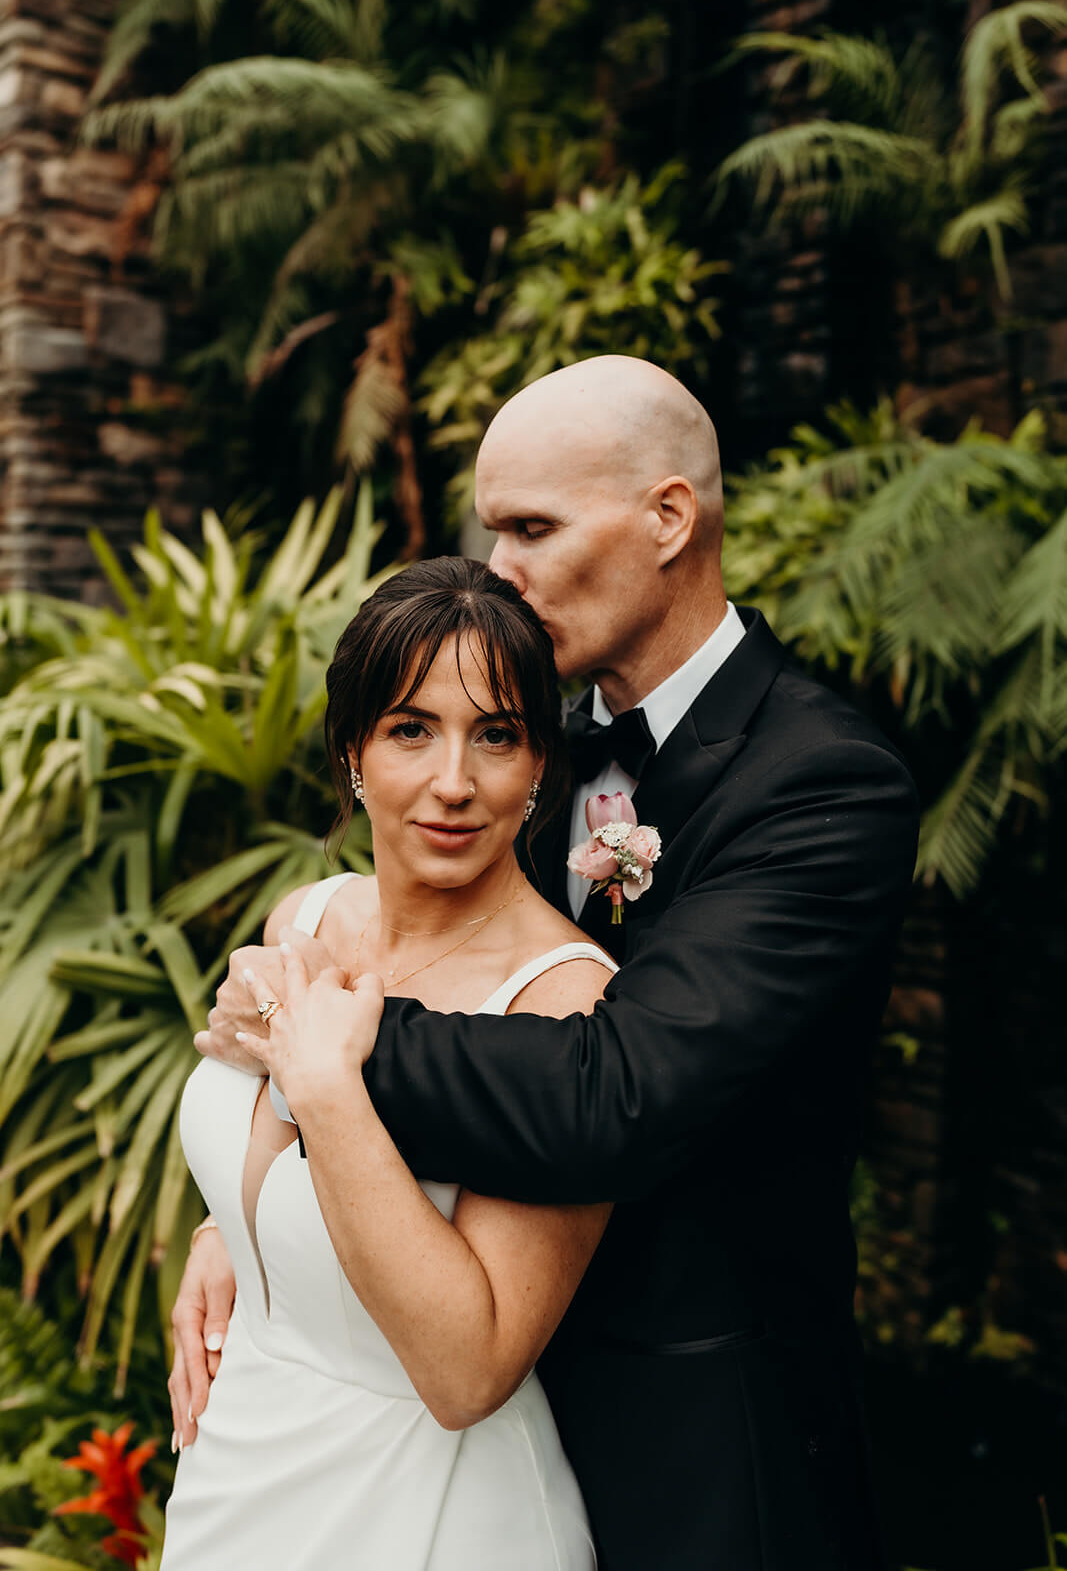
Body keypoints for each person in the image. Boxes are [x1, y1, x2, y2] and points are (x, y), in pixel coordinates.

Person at [180, 355, 920, 1571]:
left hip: (689, 1453)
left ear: (667, 518)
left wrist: (316, 1047)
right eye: (493, 531)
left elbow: (612, 1088)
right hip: (433, 1415)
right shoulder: (527, 750)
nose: (500, 570)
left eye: (530, 528)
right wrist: (259, 1231)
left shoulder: (819, 784)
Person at [160, 556, 619, 1570]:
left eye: (495, 735)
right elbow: (276, 1177)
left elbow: (469, 1371)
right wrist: (231, 1233)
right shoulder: (307, 916)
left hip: (434, 1504)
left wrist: (324, 1086)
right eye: (411, 729)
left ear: (538, 765)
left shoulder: (563, 1003)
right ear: (353, 751)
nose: (454, 782)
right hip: (238, 1466)